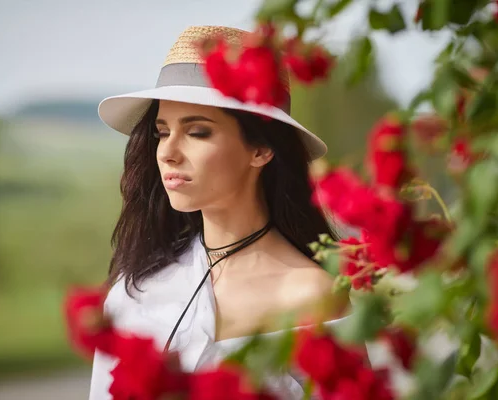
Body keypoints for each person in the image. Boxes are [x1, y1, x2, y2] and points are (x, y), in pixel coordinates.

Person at [89, 25, 352, 400]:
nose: (167, 152)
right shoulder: (136, 291)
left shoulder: (310, 295)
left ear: (261, 149)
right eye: (162, 132)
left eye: (197, 132)